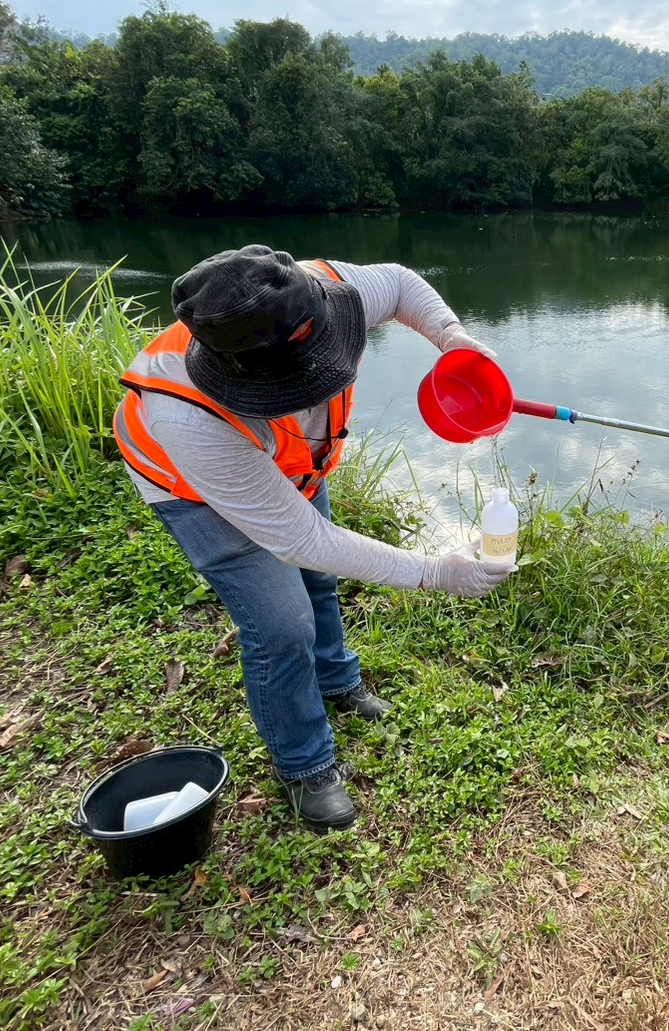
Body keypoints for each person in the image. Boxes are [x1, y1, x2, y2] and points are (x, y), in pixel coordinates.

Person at [113, 245, 515, 832]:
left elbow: (401, 285)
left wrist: (452, 337)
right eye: (296, 382)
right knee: (281, 625)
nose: (317, 386)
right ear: (242, 376)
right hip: (189, 486)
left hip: (294, 464)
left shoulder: (314, 289)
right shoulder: (188, 418)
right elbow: (303, 539)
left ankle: (337, 680)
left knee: (320, 583)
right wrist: (435, 572)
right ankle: (304, 763)